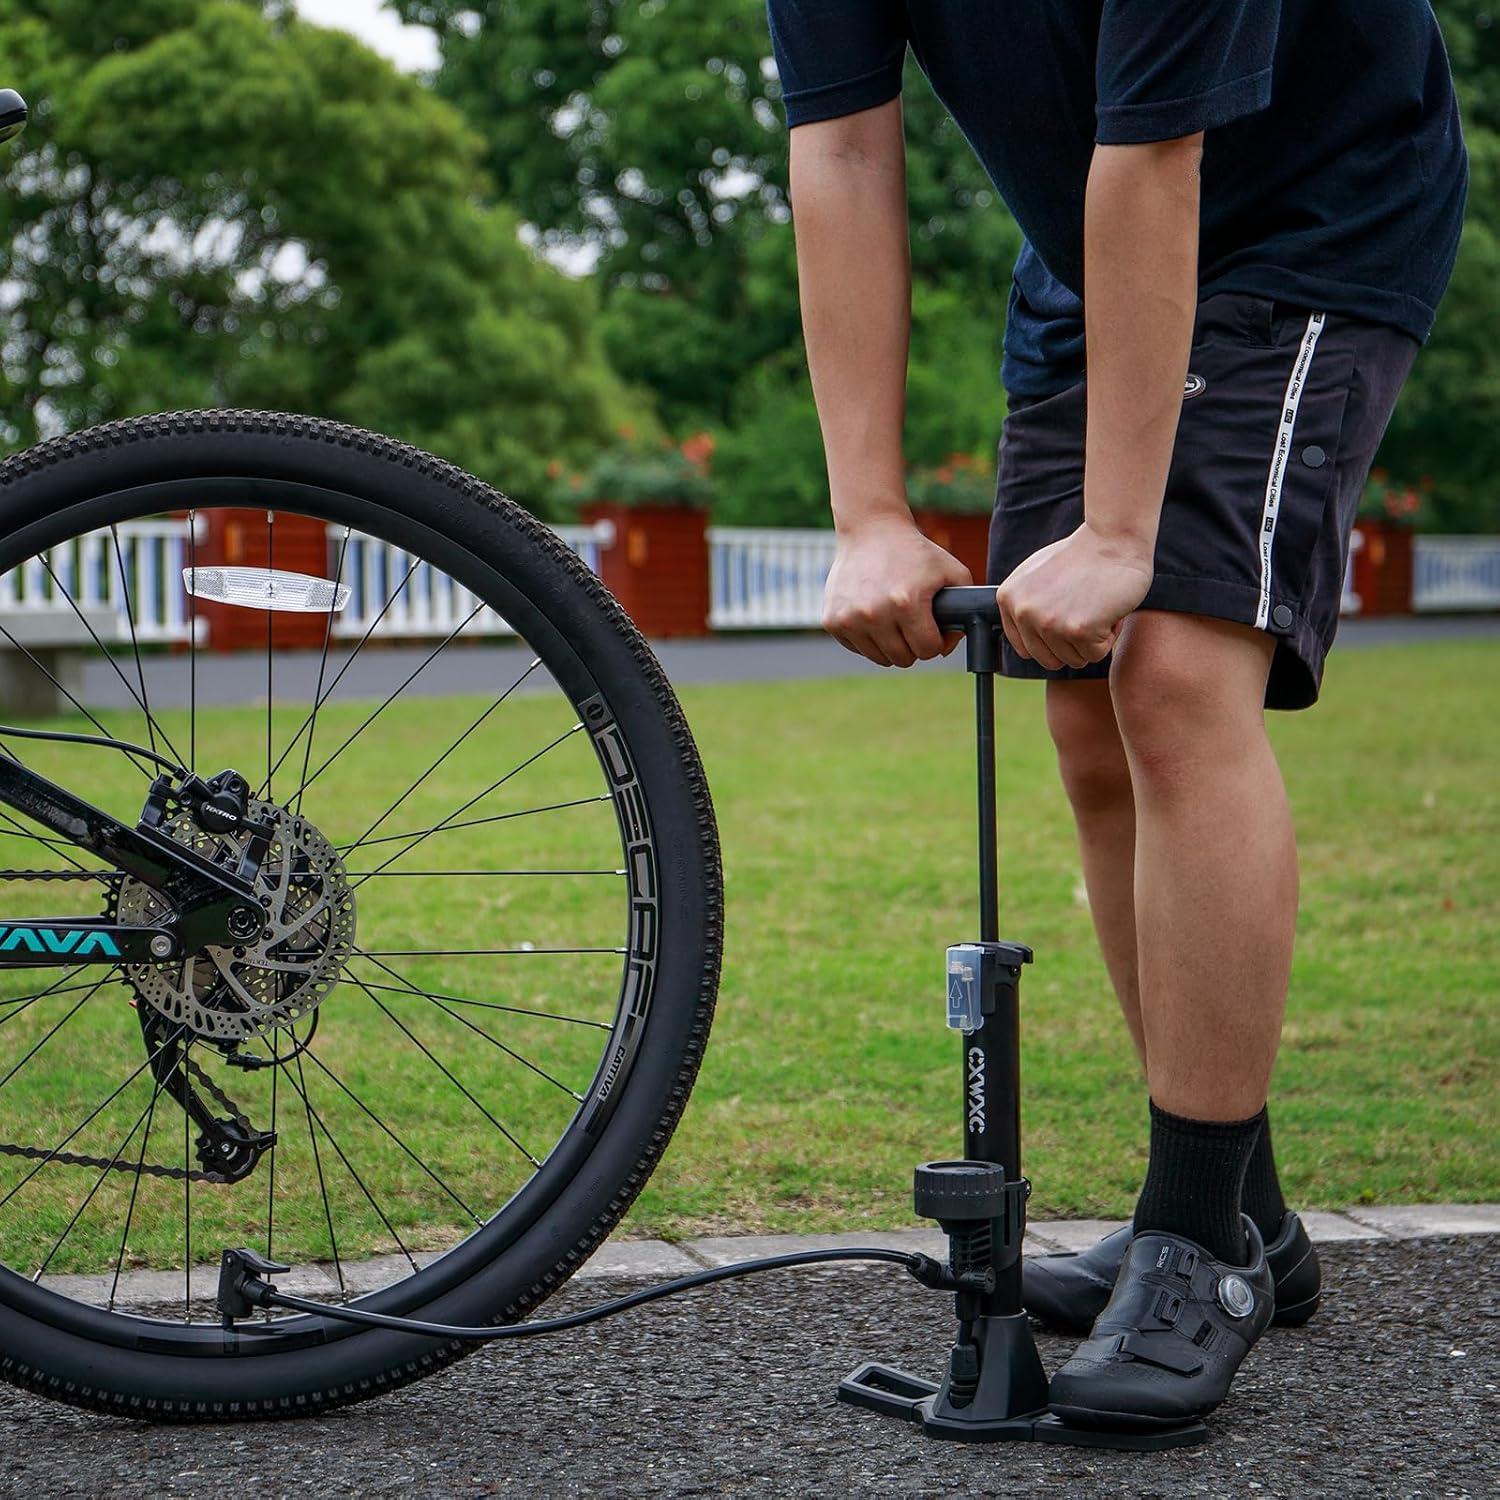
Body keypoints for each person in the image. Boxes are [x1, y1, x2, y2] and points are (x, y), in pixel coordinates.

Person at [766, 0, 1466, 1431]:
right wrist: (869, 511)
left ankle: (1196, 1243)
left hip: (1314, 209)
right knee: (1082, 712)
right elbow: (841, 150)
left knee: (1171, 676)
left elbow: (1159, 150)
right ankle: (1250, 1215)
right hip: (1090, 240)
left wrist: (1122, 533)